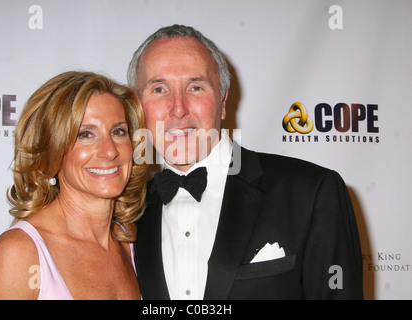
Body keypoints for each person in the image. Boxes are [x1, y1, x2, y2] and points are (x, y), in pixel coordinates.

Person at [127, 24, 363, 299]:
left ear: (223, 101)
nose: (178, 109)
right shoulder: (129, 212)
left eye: (195, 87)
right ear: (138, 106)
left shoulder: (312, 192)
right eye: (158, 89)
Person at [0, 71, 147, 300]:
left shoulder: (130, 243)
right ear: (53, 151)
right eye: (85, 134)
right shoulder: (19, 252)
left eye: (118, 132)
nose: (110, 150)